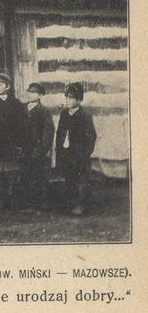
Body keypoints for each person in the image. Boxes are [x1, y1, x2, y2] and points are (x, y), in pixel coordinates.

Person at [0, 72, 27, 209]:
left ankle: (11, 198)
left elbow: (22, 126)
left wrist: (20, 144)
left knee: (10, 171)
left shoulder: (16, 104)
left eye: (0, 84)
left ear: (7, 86)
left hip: (11, 144)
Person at [56, 82, 97, 216]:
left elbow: (91, 137)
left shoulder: (85, 116)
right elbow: (60, 133)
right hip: (66, 152)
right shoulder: (64, 114)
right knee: (69, 177)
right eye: (66, 97)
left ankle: (81, 204)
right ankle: (70, 203)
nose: (67, 100)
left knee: (81, 179)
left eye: (71, 98)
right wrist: (59, 149)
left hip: (79, 154)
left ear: (79, 100)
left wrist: (85, 154)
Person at [20, 82, 55, 209]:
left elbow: (48, 132)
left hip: (37, 149)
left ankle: (41, 201)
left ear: (40, 96)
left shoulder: (44, 111)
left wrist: (42, 149)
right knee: (25, 174)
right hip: (24, 149)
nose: (30, 94)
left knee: (39, 175)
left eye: (33, 92)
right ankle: (26, 201)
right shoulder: (22, 109)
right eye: (29, 92)